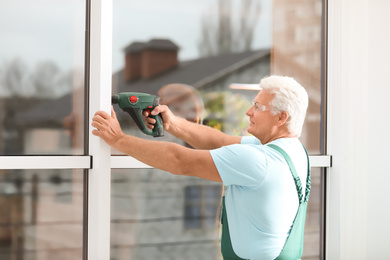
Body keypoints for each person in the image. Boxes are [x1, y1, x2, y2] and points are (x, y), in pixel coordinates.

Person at [92, 75, 310, 260]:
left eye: (258, 107)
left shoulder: (260, 161)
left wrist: (118, 139)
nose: (248, 112)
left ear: (281, 117)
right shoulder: (294, 151)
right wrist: (173, 123)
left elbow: (179, 160)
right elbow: (220, 141)